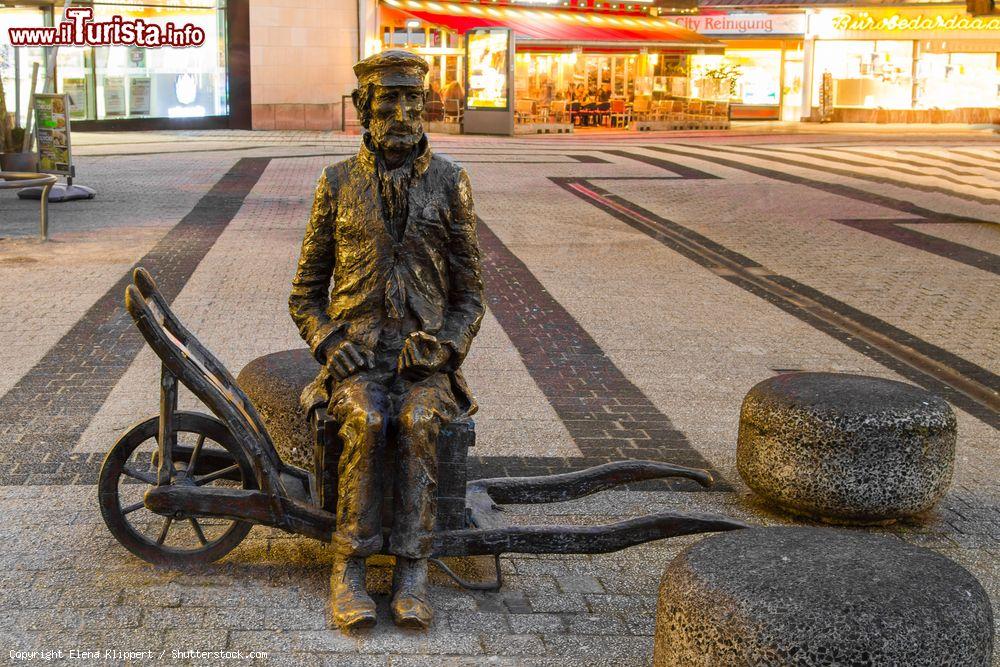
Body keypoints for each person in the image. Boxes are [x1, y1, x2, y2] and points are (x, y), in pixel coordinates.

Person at [289, 49, 485, 632]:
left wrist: (446, 346)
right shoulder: (336, 183)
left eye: (412, 100)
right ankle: (347, 566)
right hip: (357, 362)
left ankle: (412, 569)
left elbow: (471, 296)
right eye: (390, 99)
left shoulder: (452, 182)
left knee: (420, 421)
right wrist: (328, 342)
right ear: (363, 106)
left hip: (424, 366)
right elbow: (304, 293)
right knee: (369, 421)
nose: (402, 113)